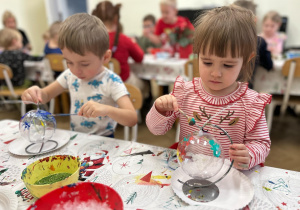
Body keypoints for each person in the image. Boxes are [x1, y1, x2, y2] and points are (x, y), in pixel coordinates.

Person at [146, 5, 271, 170]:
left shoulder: (250, 103)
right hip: (190, 172)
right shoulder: (185, 92)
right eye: (207, 62)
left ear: (247, 59)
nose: (216, 73)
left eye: (227, 65)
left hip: (229, 176)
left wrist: (251, 153)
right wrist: (161, 109)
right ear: (198, 53)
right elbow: (156, 129)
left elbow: (262, 143)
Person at [21, 13, 137, 137]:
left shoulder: (112, 81)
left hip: (104, 140)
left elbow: (131, 118)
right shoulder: (69, 75)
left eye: (84, 64)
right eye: (69, 62)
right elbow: (46, 95)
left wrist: (107, 110)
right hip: (77, 138)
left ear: (106, 57)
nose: (76, 70)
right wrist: (36, 93)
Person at [92, 1, 146, 93]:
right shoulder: (124, 39)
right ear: (116, 19)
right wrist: (134, 43)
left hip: (98, 84)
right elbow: (140, 58)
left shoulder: (91, 40)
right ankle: (141, 106)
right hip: (124, 83)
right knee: (145, 84)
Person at [233, 0, 273, 89]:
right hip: (246, 93)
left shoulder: (222, 40)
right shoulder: (259, 41)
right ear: (255, 20)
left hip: (219, 92)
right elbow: (269, 65)